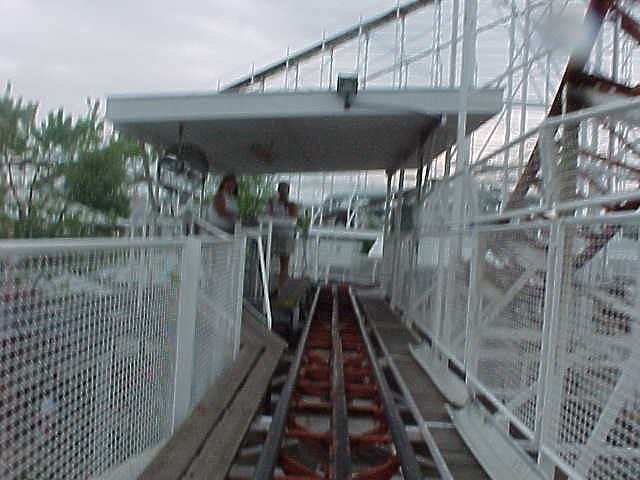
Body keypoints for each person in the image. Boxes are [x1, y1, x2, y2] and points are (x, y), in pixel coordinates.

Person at [266, 182, 298, 290]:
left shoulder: (291, 205)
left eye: (285, 190)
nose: (283, 193)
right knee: (266, 259)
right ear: (278, 191)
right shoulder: (272, 203)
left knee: (284, 264)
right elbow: (267, 215)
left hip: (286, 235)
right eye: (281, 190)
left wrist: (287, 206)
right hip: (273, 234)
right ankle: (266, 284)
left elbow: (294, 218)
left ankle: (281, 287)